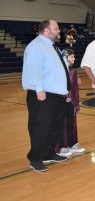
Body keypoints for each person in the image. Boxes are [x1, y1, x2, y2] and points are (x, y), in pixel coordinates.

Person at [22, 19, 70, 172]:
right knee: (40, 128)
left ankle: (49, 153)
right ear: (46, 30)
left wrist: (65, 89)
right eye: (56, 29)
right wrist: (39, 89)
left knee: (54, 127)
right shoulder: (36, 46)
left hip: (57, 95)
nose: (58, 31)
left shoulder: (51, 47)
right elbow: (33, 68)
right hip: (43, 95)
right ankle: (35, 159)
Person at [56, 49, 85, 157]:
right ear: (65, 57)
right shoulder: (58, 71)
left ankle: (72, 143)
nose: (74, 58)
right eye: (72, 56)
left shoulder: (73, 72)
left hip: (71, 102)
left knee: (71, 123)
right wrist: (64, 97)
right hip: (61, 102)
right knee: (62, 124)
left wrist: (75, 101)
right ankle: (62, 146)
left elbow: (74, 88)